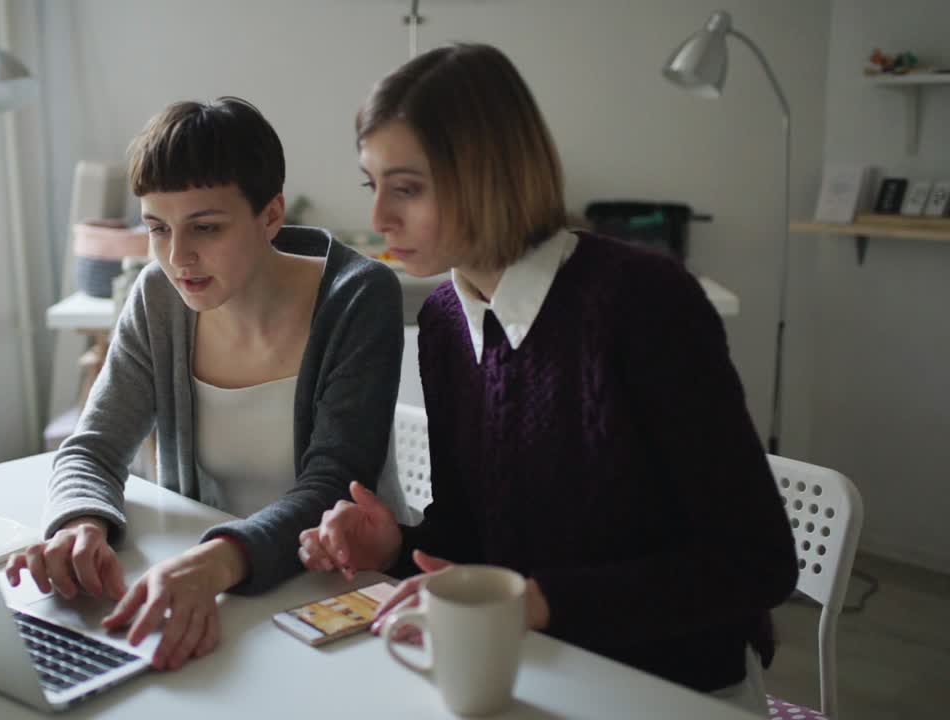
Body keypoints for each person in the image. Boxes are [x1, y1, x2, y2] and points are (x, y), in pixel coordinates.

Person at [297, 44, 798, 714]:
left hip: (678, 686)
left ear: (489, 176)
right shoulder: (445, 321)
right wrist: (395, 545)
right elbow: (471, 539)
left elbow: (756, 562)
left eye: (408, 188)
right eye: (373, 186)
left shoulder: (644, 303)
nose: (380, 219)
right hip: (530, 667)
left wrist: (538, 602)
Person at [8, 97, 407, 672]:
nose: (178, 257)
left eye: (206, 227)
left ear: (271, 215)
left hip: (337, 592)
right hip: (212, 587)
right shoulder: (158, 297)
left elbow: (331, 485)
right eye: (157, 228)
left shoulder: (358, 296)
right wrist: (79, 524)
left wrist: (214, 562)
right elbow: (92, 448)